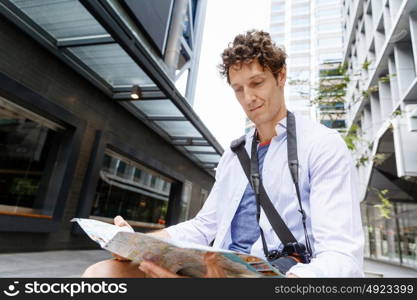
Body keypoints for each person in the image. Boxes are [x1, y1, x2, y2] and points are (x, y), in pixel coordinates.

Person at [82, 30, 364, 278]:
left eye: (256, 83)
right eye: (238, 89)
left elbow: (341, 254)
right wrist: (136, 244)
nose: (248, 98)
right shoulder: (234, 155)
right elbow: (205, 226)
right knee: (102, 273)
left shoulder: (322, 144)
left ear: (281, 76)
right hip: (215, 268)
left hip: (279, 274)